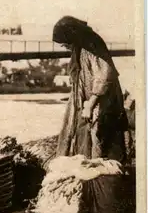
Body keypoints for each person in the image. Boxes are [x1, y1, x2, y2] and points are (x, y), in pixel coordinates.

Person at [52, 16, 128, 163]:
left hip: (102, 99)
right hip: (85, 99)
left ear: (71, 36)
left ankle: (101, 176)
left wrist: (90, 104)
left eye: (64, 44)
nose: (64, 47)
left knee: (101, 136)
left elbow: (104, 76)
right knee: (79, 133)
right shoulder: (80, 44)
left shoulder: (92, 44)